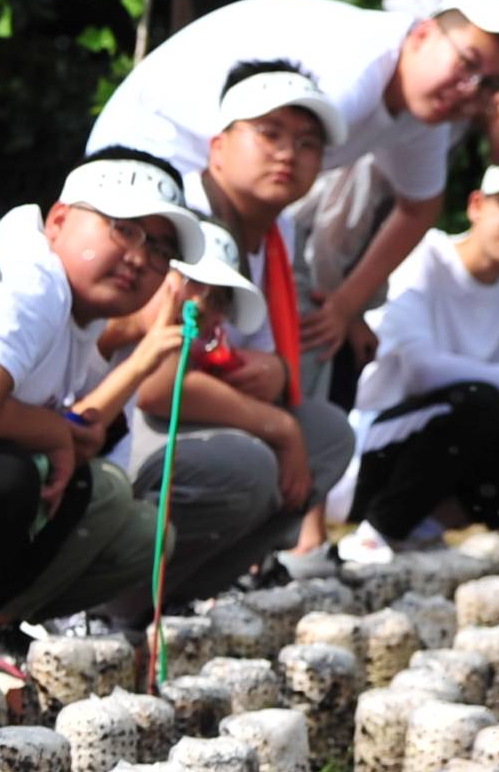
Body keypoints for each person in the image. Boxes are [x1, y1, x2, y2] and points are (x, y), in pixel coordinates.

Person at [88, 0, 499, 367]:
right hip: (155, 158)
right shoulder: (351, 74)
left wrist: (345, 304)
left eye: (490, 85)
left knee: (285, 344)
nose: (469, 91)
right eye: (467, 64)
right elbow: (256, 184)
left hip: (227, 192)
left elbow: (421, 207)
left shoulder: (426, 110)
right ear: (422, 34)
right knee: (187, 333)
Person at [0, 153, 247, 627]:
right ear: (58, 221)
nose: (138, 258)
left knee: (142, 530)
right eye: (123, 228)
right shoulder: (34, 280)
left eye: (158, 248)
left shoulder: (82, 315)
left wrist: (62, 432)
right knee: (101, 493)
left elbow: (82, 436)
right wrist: (55, 431)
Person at [129, 63, 360, 606]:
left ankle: (186, 593)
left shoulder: (279, 230)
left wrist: (279, 374)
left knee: (328, 434)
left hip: (198, 417)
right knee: (257, 460)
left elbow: (265, 357)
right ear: (219, 148)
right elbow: (158, 383)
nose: (288, 154)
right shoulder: (183, 224)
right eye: (269, 133)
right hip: (124, 428)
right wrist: (277, 424)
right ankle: (119, 599)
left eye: (306, 143)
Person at [349, 165, 499, 542]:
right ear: (476, 206)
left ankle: (426, 526)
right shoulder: (423, 253)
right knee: (478, 401)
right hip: (369, 444)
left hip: (433, 445)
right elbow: (422, 370)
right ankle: (375, 535)